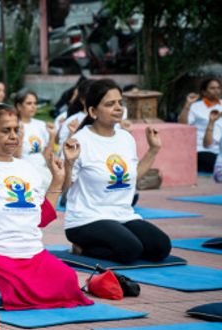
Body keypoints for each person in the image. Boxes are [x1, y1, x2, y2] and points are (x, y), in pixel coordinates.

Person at [0, 104, 93, 310]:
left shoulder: (29, 169)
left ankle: (4, 288)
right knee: (11, 286)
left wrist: (58, 179)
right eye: (6, 131)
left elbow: (41, 218)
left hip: (29, 255)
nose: (13, 136)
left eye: (16, 130)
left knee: (68, 279)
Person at [63, 79, 171, 264]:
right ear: (93, 111)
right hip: (86, 219)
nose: (118, 108)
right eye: (110, 104)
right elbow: (65, 187)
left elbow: (133, 177)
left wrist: (153, 150)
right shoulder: (79, 141)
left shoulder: (125, 138)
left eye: (120, 102)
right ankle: (81, 249)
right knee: (130, 250)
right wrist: (69, 163)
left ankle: (117, 243)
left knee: (161, 247)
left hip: (123, 215)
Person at [15, 90, 56, 190]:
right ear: (19, 106)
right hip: (23, 173)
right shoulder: (14, 125)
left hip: (42, 171)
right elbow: (15, 157)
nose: (33, 106)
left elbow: (48, 155)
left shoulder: (41, 125)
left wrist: (52, 136)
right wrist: (19, 138)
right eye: (29, 103)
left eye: (35, 103)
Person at [182, 78, 222, 173]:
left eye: (218, 88)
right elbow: (183, 125)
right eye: (212, 88)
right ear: (204, 92)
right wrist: (187, 104)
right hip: (202, 149)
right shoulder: (196, 106)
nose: (216, 91)